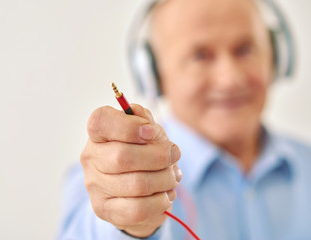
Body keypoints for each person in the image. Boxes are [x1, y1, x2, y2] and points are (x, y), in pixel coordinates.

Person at [58, 0, 311, 239]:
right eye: (200, 56)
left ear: (275, 56)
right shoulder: (108, 177)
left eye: (245, 49)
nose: (230, 79)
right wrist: (128, 226)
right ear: (154, 76)